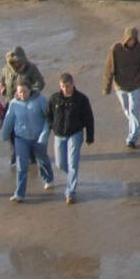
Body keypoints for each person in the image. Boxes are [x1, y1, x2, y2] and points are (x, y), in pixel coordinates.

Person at [102, 26, 140, 148]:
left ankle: (132, 137)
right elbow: (109, 69)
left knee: (134, 111)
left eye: (133, 39)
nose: (131, 42)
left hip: (135, 84)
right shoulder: (115, 49)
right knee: (127, 110)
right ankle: (134, 125)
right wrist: (107, 87)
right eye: (129, 39)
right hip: (120, 86)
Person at [0, 82, 51, 201]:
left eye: (24, 92)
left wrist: (44, 134)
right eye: (19, 92)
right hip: (21, 138)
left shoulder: (40, 100)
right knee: (21, 166)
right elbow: (9, 119)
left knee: (42, 160)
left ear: (30, 90)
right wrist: (4, 134)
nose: (22, 94)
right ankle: (19, 194)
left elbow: (48, 118)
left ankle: (48, 179)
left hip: (38, 137)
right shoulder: (14, 103)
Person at [46, 73, 94, 204]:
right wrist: (53, 126)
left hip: (75, 134)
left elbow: (89, 118)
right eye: (62, 86)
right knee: (60, 163)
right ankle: (73, 176)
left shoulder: (82, 99)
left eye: (67, 86)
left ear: (73, 84)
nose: (65, 89)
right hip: (59, 135)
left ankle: (70, 192)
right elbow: (48, 115)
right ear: (59, 86)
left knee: (73, 164)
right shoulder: (54, 98)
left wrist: (90, 136)